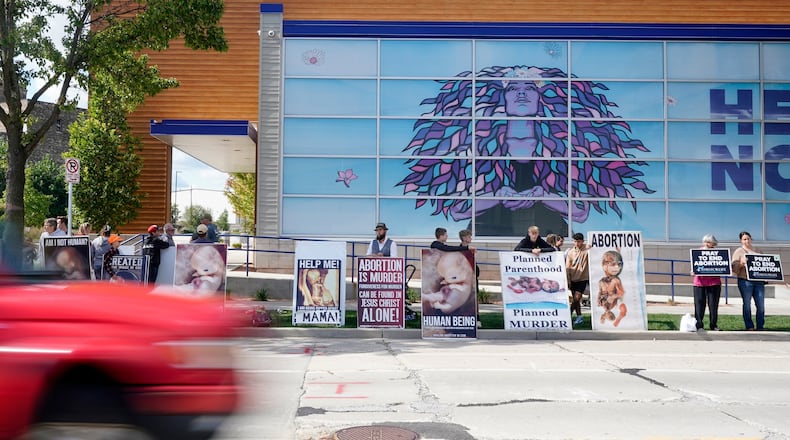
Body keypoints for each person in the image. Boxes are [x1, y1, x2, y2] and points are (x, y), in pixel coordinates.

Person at [397, 65, 654, 237]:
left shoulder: (563, 147)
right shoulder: (476, 146)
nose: (521, 94)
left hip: (550, 235)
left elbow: (581, 212)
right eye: (513, 89)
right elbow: (457, 211)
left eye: (530, 88)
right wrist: (495, 196)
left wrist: (544, 196)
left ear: (540, 98)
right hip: (490, 228)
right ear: (504, 98)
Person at [731, 231, 765, 331]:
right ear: (741, 241)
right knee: (747, 303)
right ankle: (749, 325)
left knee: (761, 304)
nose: (747, 241)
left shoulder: (758, 251)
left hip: (759, 281)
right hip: (745, 281)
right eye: (744, 239)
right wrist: (741, 263)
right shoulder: (739, 251)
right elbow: (734, 268)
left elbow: (765, 265)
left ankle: (760, 326)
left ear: (751, 238)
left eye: (748, 238)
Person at [597, 250, 627, 327]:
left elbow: (621, 292)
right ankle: (605, 318)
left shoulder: (615, 280)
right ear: (604, 266)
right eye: (613, 264)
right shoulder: (601, 281)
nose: (617, 267)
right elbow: (600, 292)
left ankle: (610, 320)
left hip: (613, 304)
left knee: (611, 319)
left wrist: (613, 296)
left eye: (619, 264)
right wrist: (598, 299)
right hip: (604, 304)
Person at [566, 233, 589, 326]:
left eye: (578, 241)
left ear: (582, 241)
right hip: (573, 278)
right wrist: (568, 279)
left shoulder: (586, 250)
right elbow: (568, 266)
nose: (577, 243)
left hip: (583, 278)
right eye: (575, 241)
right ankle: (579, 317)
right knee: (575, 300)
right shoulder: (571, 252)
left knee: (577, 298)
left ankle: (568, 315)